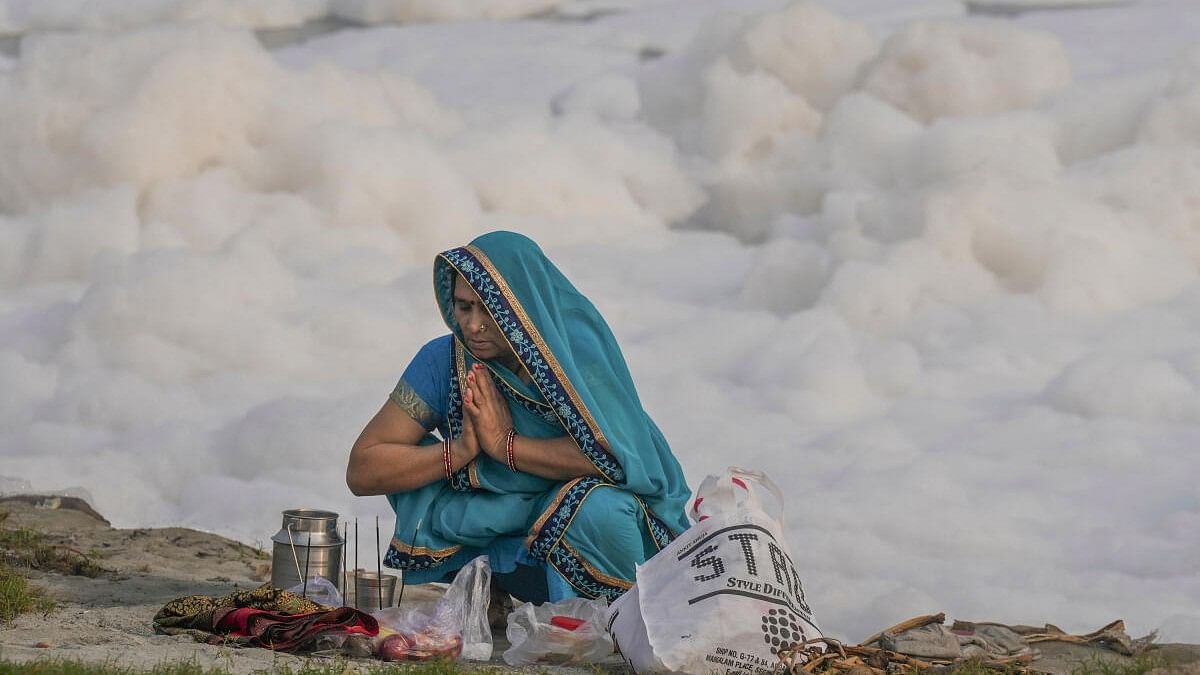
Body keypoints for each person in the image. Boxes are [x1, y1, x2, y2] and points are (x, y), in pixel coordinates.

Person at [346, 231, 691, 604]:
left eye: (489, 309)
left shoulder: (575, 359)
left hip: (588, 536)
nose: (474, 325)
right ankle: (488, 589)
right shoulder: (445, 361)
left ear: (522, 306)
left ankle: (600, 624)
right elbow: (364, 468)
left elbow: (614, 458)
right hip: (496, 521)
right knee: (410, 466)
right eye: (464, 307)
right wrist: (459, 452)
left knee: (594, 509)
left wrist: (504, 446)